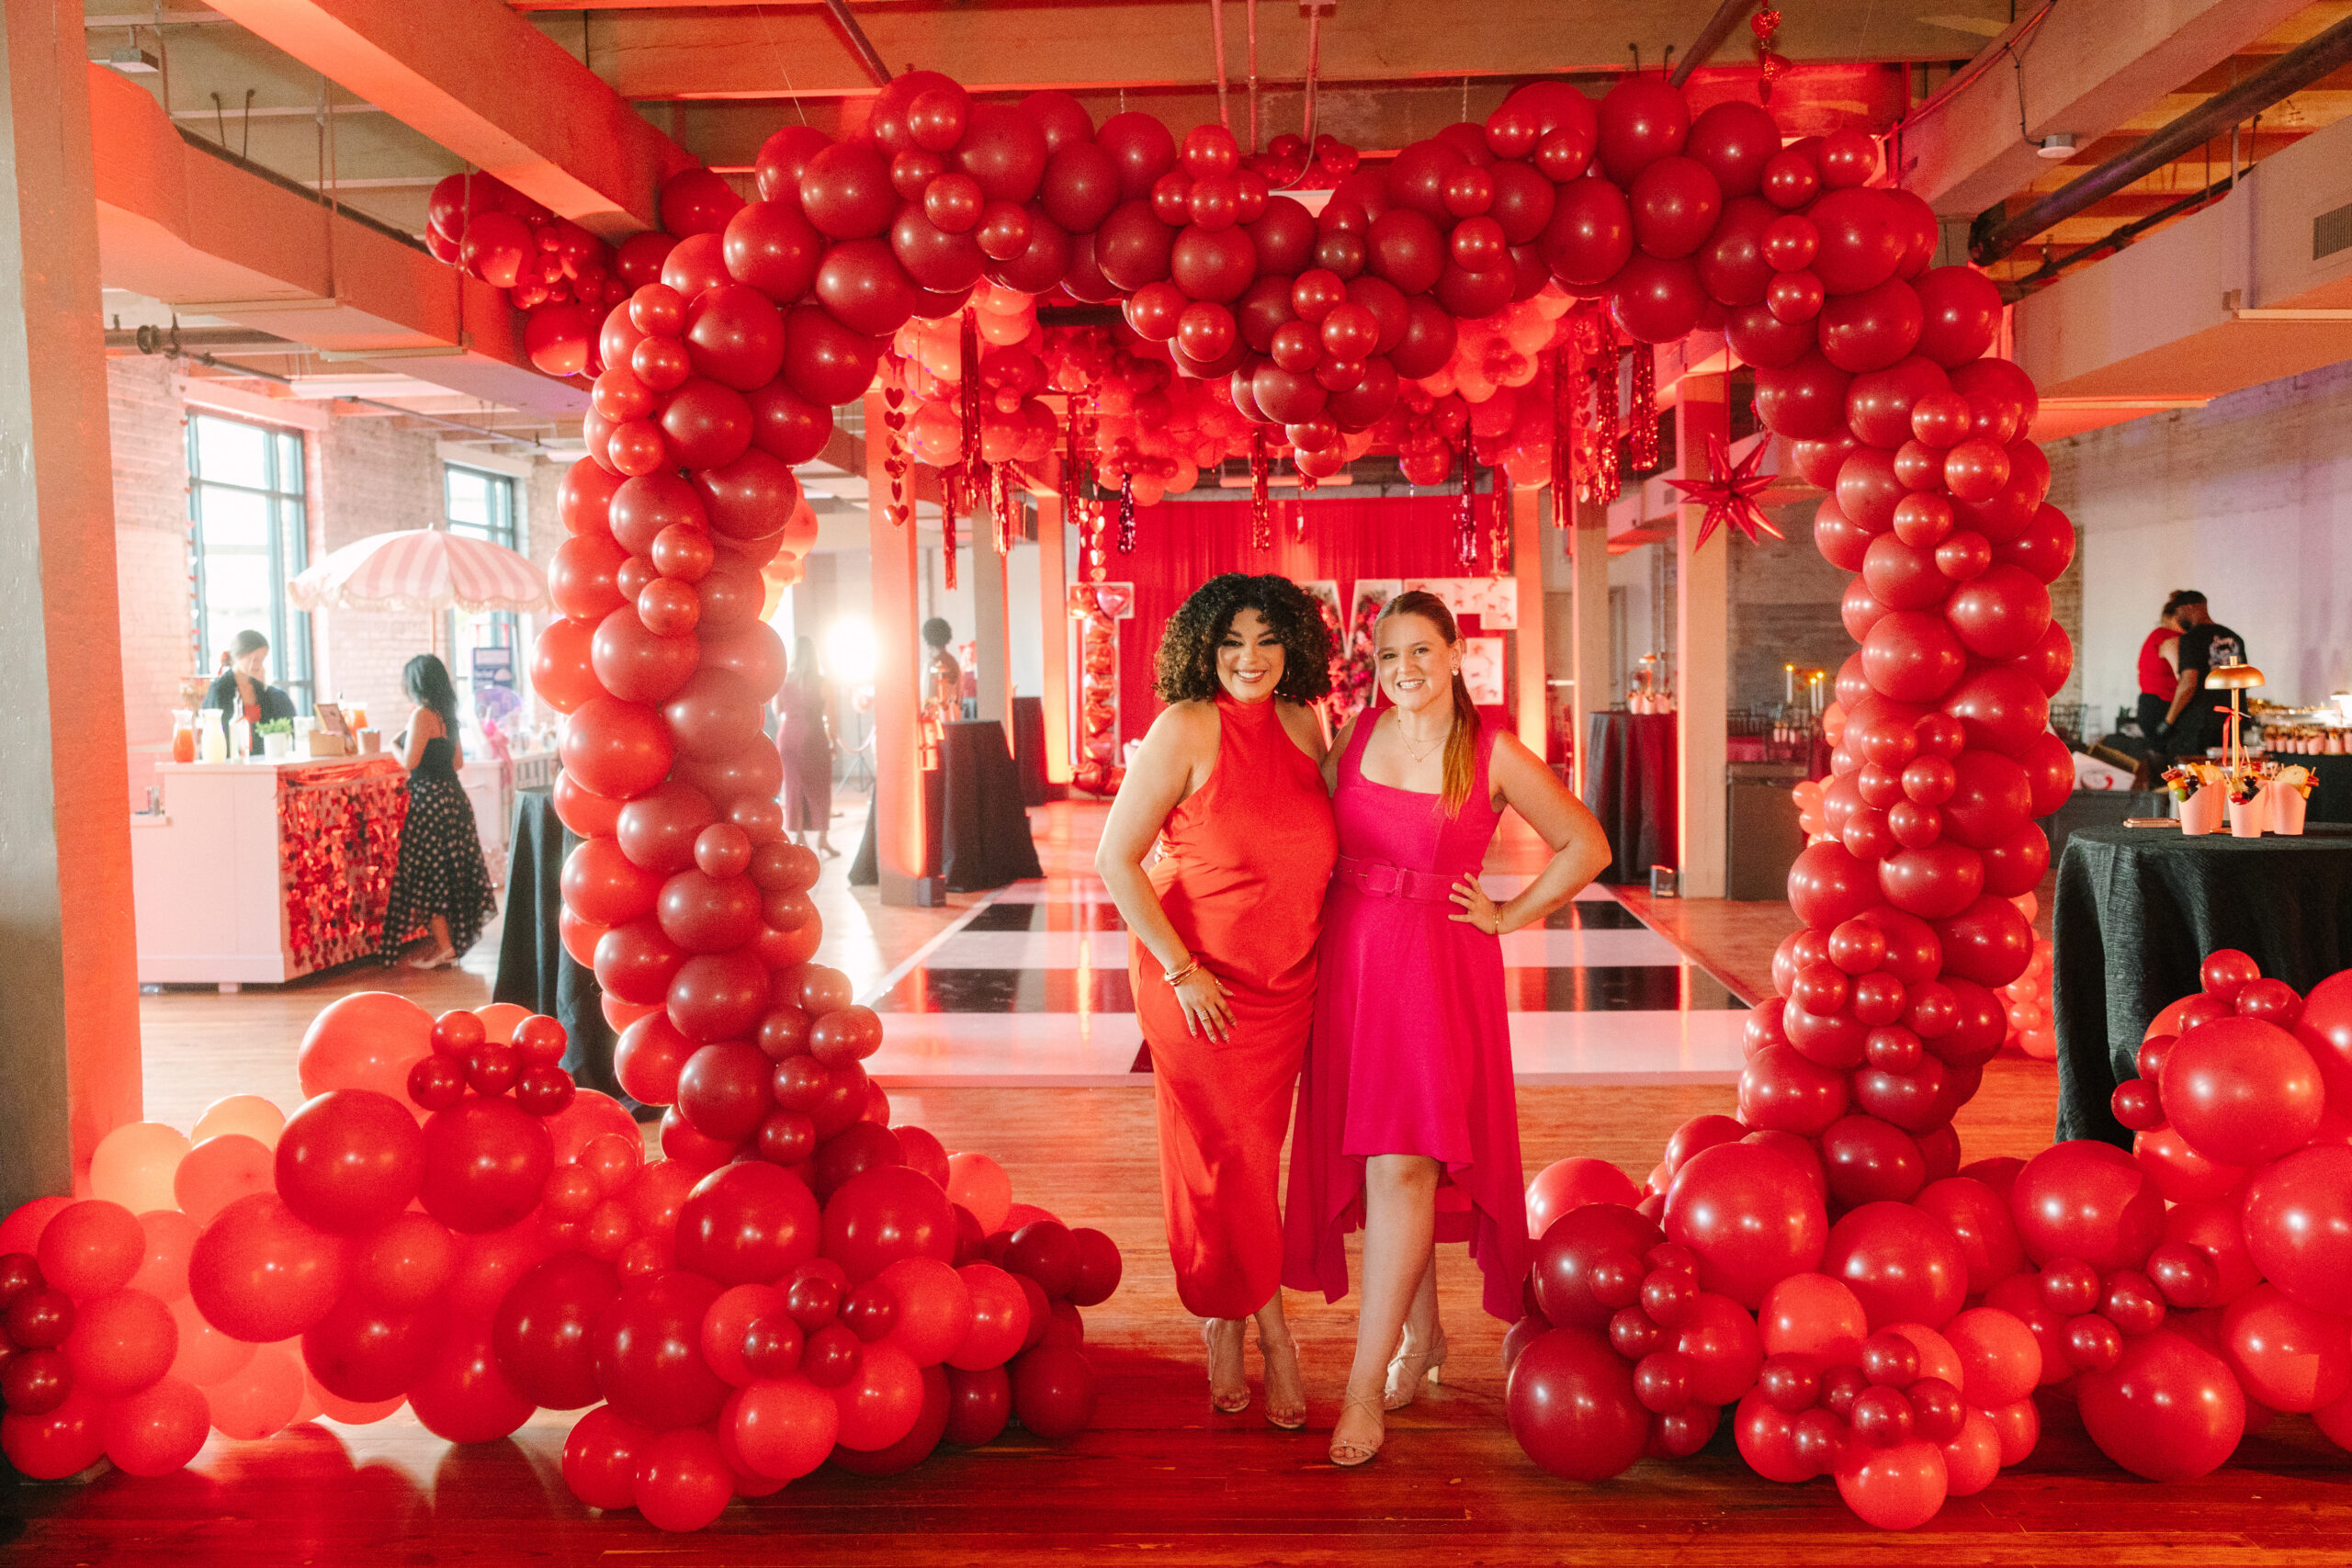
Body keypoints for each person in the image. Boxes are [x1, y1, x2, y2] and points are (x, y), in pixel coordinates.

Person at [1285, 590, 1611, 1469]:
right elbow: (1294, 831)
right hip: (1352, 965)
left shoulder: (1492, 750)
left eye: (1420, 652)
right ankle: (1421, 1338)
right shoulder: (1350, 737)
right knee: (1399, 1169)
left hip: (1438, 972)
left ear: (1456, 651)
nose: (1404, 672)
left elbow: (1586, 844)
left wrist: (1509, 914)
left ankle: (1362, 1387)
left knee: (1403, 1161)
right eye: (1388, 657)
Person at [1095, 574, 1337, 1431]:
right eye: (1232, 642)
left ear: (1293, 647)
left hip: (1286, 986)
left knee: (1244, 1161)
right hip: (1195, 981)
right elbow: (1116, 860)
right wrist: (1179, 967)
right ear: (1206, 647)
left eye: (1267, 640)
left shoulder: (1309, 722)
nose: (1250, 659)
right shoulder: (1184, 727)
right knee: (1230, 1154)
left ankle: (1220, 1316)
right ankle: (1270, 1334)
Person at [378, 654, 498, 969]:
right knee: (451, 871)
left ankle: (445, 947)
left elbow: (410, 762)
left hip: (429, 800)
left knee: (431, 873)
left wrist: (393, 744)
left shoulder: (421, 715)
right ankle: (449, 945)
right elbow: (457, 763)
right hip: (453, 799)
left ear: (415, 684)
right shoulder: (448, 716)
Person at [2158, 592, 2250, 761]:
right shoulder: (2235, 638)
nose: (2177, 620)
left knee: (2198, 778)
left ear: (2189, 607)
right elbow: (2245, 680)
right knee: (2229, 775)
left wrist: (2168, 721)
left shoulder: (2191, 639)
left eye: (2178, 613)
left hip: (2201, 725)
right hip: (2233, 721)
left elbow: (2188, 684)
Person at [777, 636, 838, 858]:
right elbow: (832, 715)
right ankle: (822, 838)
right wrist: (834, 740)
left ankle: (799, 836)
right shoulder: (823, 683)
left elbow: (777, 710)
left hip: (788, 737)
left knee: (793, 787)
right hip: (813, 738)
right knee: (820, 788)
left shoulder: (785, 681)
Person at [203, 629, 296, 755]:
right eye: (255, 659)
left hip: (261, 760)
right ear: (238, 656)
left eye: (261, 660)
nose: (258, 665)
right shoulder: (219, 689)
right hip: (230, 762)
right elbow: (217, 734)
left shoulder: (261, 689)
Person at [2133, 593, 2193, 764]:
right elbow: (2183, 678)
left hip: (2152, 705)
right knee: (2169, 766)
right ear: (2177, 617)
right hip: (2162, 707)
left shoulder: (2157, 635)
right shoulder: (2169, 638)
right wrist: (2169, 721)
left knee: (2161, 763)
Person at [922, 616, 964, 725]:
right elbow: (960, 693)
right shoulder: (954, 662)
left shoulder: (931, 665)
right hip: (954, 717)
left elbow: (927, 696)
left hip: (935, 719)